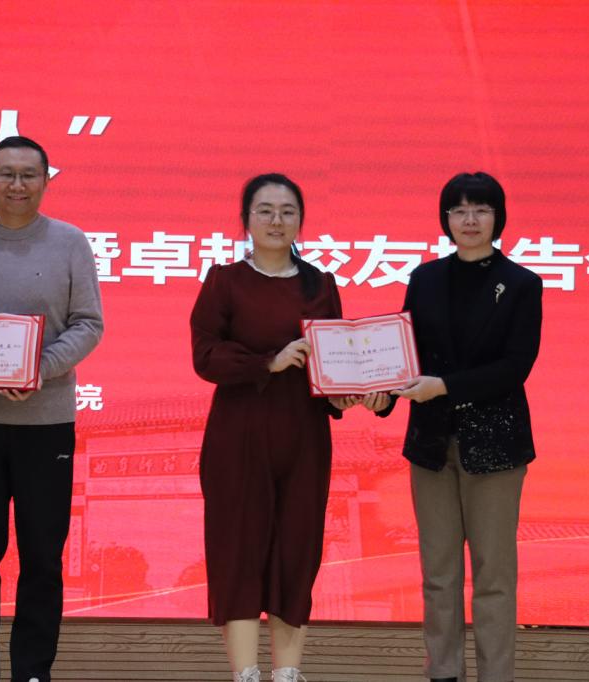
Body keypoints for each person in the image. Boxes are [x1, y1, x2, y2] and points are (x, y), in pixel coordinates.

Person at [190, 173, 387, 682]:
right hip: (239, 435)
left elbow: (334, 362)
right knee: (238, 552)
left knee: (297, 552)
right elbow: (205, 356)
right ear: (246, 219)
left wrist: (348, 393)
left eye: (287, 211)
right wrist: (268, 362)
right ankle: (246, 674)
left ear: (301, 220)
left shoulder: (321, 284)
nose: (276, 221)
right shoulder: (224, 281)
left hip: (304, 437)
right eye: (265, 211)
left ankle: (287, 673)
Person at [0, 136, 103, 682]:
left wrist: (42, 368)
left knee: (42, 558)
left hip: (46, 425)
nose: (17, 184)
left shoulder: (70, 242)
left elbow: (89, 323)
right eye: (5, 173)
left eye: (28, 174)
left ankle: (33, 671)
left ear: (46, 181)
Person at [382, 172, 542, 682]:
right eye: (459, 210)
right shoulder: (425, 278)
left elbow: (514, 367)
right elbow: (404, 354)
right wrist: (380, 394)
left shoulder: (522, 284)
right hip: (430, 444)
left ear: (498, 217)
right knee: (438, 573)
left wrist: (444, 386)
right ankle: (443, 672)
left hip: (495, 447)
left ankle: (496, 675)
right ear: (445, 219)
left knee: (493, 575)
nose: (469, 220)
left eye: (481, 209)